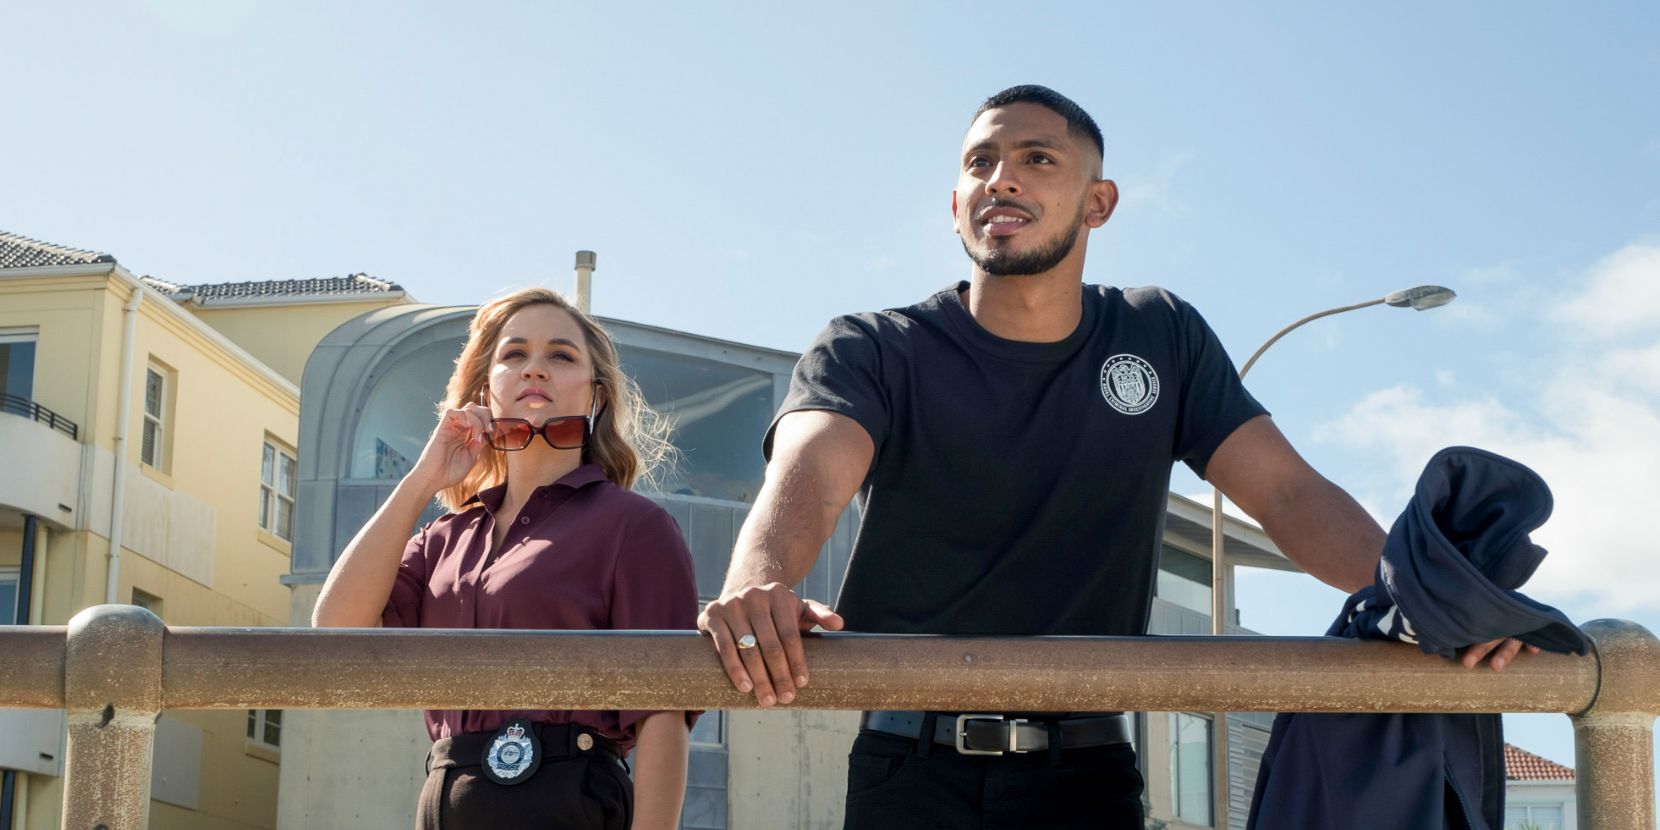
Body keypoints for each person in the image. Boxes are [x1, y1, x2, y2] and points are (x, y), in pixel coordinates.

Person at [696, 85, 1531, 828]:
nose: (1003, 178)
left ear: (1098, 203)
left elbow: (1286, 494)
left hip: (1087, 770)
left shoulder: (1159, 334)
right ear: (955, 205)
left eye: (1036, 158)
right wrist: (757, 580)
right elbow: (808, 472)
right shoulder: (874, 346)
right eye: (980, 162)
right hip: (908, 770)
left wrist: (1429, 605)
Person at [313, 287, 697, 830]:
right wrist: (425, 477)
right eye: (513, 355)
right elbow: (335, 629)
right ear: (484, 388)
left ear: (596, 395)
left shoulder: (635, 527)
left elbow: (664, 713)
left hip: (570, 797)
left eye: (560, 356)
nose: (534, 369)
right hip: (447, 797)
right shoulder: (443, 538)